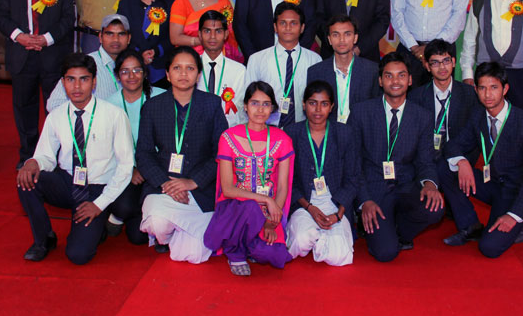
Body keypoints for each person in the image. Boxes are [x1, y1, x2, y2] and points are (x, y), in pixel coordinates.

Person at [15, 53, 133, 264]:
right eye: (71, 79)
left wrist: (99, 204)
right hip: (68, 182)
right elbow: (46, 156)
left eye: (84, 79)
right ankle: (44, 239)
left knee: (78, 256)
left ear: (94, 82)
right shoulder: (56, 116)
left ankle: (99, 222)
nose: (77, 86)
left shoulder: (114, 115)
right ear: (63, 82)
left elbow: (126, 166)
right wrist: (33, 162)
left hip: (98, 188)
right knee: (26, 179)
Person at [348, 51, 444, 262]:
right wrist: (364, 201)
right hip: (374, 190)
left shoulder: (422, 116)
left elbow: (425, 160)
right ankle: (380, 228)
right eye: (389, 76)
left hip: (406, 186)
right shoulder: (361, 112)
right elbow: (352, 163)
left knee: (435, 208)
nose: (395, 81)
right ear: (380, 81)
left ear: (410, 80)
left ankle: (398, 228)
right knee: (386, 253)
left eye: (401, 75)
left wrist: (430, 184)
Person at [136, 46, 228, 261]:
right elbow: (144, 153)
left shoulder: (212, 104)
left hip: (200, 189)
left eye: (190, 68)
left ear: (198, 74)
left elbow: (222, 152)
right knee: (158, 223)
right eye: (177, 68)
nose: (183, 73)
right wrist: (165, 183)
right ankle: (167, 235)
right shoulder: (153, 106)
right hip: (163, 186)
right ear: (168, 74)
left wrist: (193, 181)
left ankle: (179, 232)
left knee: (194, 255)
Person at [444, 62, 523, 258]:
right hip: (490, 183)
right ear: (476, 90)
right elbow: (453, 145)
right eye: (482, 88)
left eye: (494, 87)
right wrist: (462, 162)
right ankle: (470, 226)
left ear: (505, 89)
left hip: (513, 192)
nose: (487, 94)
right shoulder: (478, 116)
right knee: (445, 168)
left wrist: (514, 215)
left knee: (489, 248)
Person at [0, 0, 75, 168]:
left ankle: (55, 157)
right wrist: (19, 36)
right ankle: (28, 156)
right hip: (22, 55)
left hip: (53, 56)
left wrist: (46, 39)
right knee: (24, 109)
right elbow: (0, 16)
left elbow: (68, 18)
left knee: (56, 109)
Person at [204, 81, 295, 276]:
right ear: (245, 106)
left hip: (268, 213)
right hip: (235, 209)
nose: (260, 110)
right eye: (255, 103)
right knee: (250, 207)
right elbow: (228, 189)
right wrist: (266, 199)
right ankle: (236, 252)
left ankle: (248, 244)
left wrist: (271, 222)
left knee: (273, 255)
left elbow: (282, 187)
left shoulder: (282, 139)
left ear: (272, 108)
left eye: (266, 104)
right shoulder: (228, 137)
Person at [409, 39, 483, 246]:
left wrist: (459, 160)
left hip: (458, 157)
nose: (442, 67)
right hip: (425, 157)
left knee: (444, 167)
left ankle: (469, 225)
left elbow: (473, 136)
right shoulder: (416, 96)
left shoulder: (469, 95)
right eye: (435, 62)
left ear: (454, 62)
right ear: (426, 66)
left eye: (446, 61)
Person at [285, 81, 358, 266]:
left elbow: (353, 178)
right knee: (301, 240)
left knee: (340, 257)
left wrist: (338, 214)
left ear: (331, 107)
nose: (318, 110)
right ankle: (318, 237)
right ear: (304, 105)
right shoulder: (291, 133)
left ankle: (322, 238)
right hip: (304, 202)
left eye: (324, 104)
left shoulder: (344, 133)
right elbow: (287, 181)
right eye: (312, 103)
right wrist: (310, 208)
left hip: (335, 202)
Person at [105, 49, 166, 244]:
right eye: (125, 71)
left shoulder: (162, 97)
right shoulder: (109, 105)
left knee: (137, 237)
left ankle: (136, 213)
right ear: (117, 76)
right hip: (126, 171)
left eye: (137, 70)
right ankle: (123, 213)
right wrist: (129, 168)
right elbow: (106, 148)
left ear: (145, 72)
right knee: (123, 207)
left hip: (157, 168)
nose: (131, 76)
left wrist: (148, 168)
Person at [244, 2, 321, 127]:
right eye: (283, 23)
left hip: (303, 127)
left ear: (302, 28)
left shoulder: (314, 60)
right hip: (267, 127)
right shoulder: (257, 59)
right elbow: (248, 99)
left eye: (294, 23)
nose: (288, 27)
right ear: (275, 27)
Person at [46, 14, 131, 112]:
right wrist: (86, 117)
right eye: (109, 34)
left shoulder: (134, 66)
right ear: (100, 37)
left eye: (121, 34)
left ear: (129, 38)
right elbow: (54, 105)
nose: (115, 39)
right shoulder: (84, 64)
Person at [306, 14, 380, 123]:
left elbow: (376, 110)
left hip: (361, 131)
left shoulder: (372, 71)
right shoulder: (316, 72)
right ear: (329, 39)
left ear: (355, 38)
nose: (342, 40)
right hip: (328, 130)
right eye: (336, 35)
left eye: (347, 34)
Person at [116, 0, 174, 86]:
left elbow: (173, 36)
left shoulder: (170, 4)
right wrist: (138, 54)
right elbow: (121, 34)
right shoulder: (126, 4)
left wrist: (156, 51)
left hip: (161, 66)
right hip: (132, 66)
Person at [196, 10, 246, 127]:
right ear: (200, 34)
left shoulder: (239, 71)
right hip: (196, 130)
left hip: (229, 131)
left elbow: (242, 110)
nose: (212, 36)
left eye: (218, 31)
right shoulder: (191, 67)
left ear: (226, 34)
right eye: (207, 31)